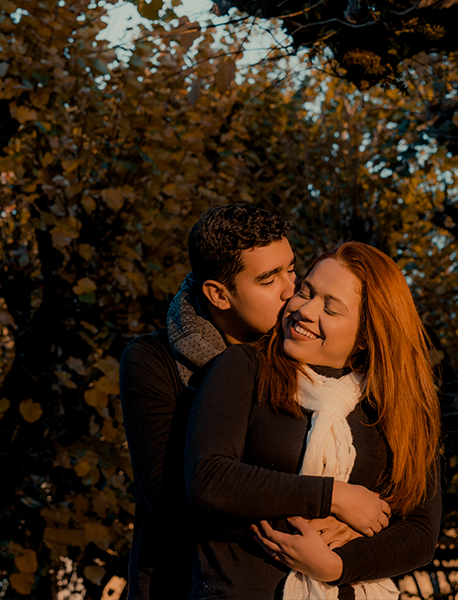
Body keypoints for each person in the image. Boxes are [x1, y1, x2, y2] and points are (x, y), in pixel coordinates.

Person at [185, 241, 443, 599]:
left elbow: (419, 531)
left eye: (331, 309)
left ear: (367, 336)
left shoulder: (396, 407)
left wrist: (334, 566)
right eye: (306, 291)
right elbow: (209, 479)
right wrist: (334, 498)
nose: (304, 310)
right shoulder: (245, 367)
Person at [119, 204, 299, 599]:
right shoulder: (153, 361)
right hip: (183, 583)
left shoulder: (303, 351)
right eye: (269, 280)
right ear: (218, 294)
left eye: (291, 269)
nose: (291, 291)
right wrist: (315, 517)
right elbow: (174, 503)